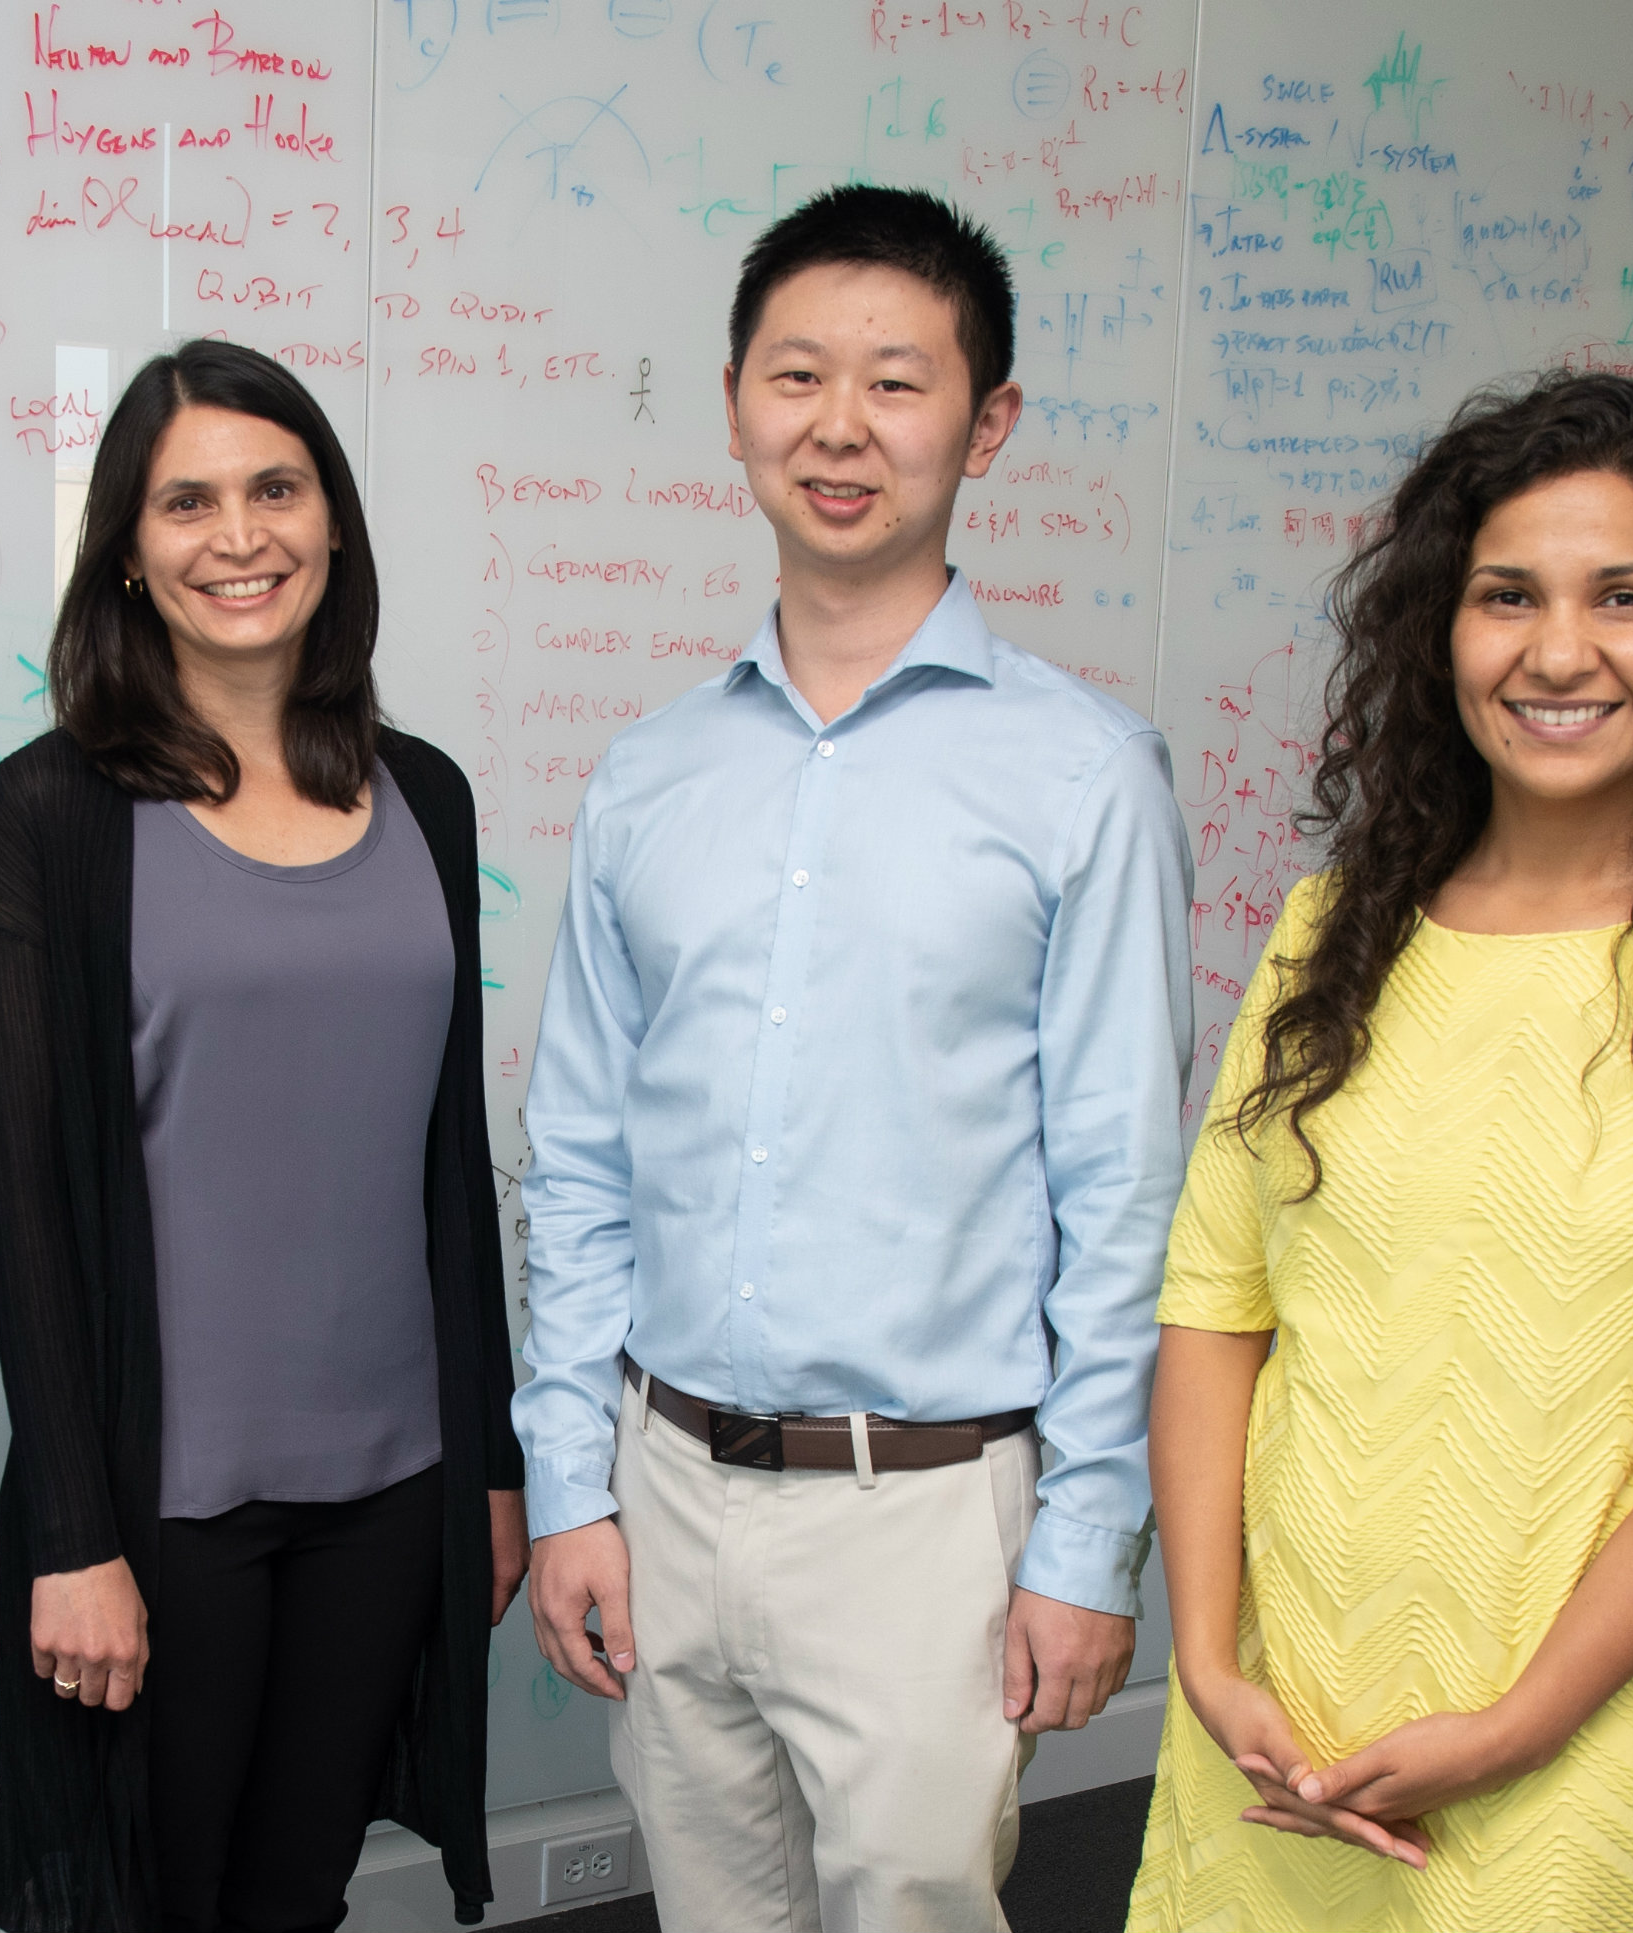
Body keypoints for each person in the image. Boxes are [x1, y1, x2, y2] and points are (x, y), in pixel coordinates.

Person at [1125, 371, 1633, 1933]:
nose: (1559, 650)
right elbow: (1214, 1308)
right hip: (1271, 1719)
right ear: (1443, 633)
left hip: (1557, 1738)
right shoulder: (1331, 935)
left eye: (1625, 596)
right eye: (1506, 596)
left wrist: (1521, 1721)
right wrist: (1208, 1660)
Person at [516, 185, 1195, 1928]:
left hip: (930, 1516)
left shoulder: (1082, 772)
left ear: (990, 422)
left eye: (897, 383)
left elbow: (1125, 1195)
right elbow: (581, 1153)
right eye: (797, 374)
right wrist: (576, 1485)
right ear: (736, 398)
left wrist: (1083, 1544)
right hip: (663, 1485)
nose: (840, 426)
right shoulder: (649, 775)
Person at [0, 339, 525, 1933]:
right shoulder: (54, 814)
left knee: (298, 1897)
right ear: (127, 550)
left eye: (277, 487)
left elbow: (445, 1167)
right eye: (185, 500)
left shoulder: (429, 795)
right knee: (158, 1904)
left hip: (394, 1485)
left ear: (333, 522)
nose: (240, 533)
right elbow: (27, 1208)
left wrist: (486, 1462)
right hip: (163, 1506)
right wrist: (74, 1534)